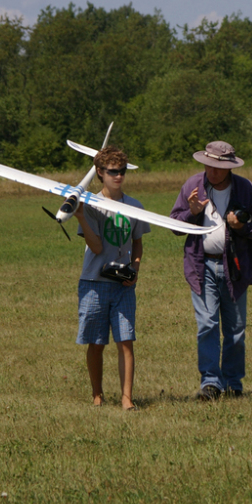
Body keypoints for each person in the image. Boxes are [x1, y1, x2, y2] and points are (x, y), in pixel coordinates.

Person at [170, 141, 252, 400]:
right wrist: (192, 214)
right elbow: (174, 225)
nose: (212, 171)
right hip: (200, 265)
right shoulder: (192, 185)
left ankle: (233, 384)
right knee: (207, 325)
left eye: (218, 167)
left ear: (229, 167)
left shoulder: (245, 188)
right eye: (208, 165)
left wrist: (241, 227)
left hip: (236, 268)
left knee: (235, 330)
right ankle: (211, 384)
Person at [74, 145, 150, 411]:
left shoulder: (135, 206)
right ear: (100, 173)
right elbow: (95, 247)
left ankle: (126, 398)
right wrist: (82, 217)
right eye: (112, 172)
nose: (118, 176)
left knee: (125, 342)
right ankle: (97, 394)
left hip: (123, 285)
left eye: (122, 171)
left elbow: (137, 243)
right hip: (94, 283)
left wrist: (136, 269)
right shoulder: (92, 205)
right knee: (96, 344)